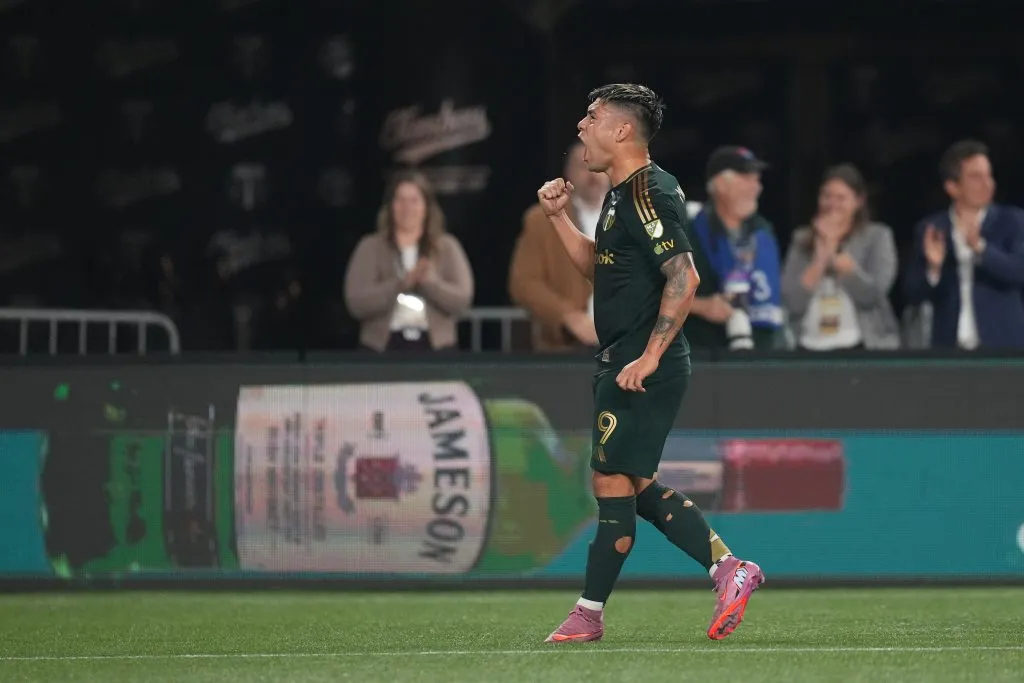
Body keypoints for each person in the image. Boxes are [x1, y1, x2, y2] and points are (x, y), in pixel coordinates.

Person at [536, 83, 764, 645]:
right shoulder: (621, 194)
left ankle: (589, 613)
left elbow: (685, 277)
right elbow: (602, 267)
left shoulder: (649, 192)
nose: (581, 126)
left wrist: (650, 355)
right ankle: (728, 569)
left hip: (640, 364)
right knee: (633, 484)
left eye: (591, 117)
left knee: (611, 480)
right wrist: (560, 218)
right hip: (623, 359)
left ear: (621, 130)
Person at [903, 140, 1024, 349]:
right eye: (976, 177)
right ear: (952, 187)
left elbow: (1018, 272)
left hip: (1003, 348)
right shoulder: (932, 228)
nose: (988, 183)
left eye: (989, 175)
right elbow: (913, 293)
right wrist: (933, 267)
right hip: (949, 348)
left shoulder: (1012, 221)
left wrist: (981, 248)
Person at [343, 170, 474, 352]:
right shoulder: (370, 246)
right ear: (390, 206)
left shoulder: (447, 247)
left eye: (414, 201)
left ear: (426, 207)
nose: (407, 208)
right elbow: (357, 302)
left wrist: (429, 283)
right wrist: (400, 284)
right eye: (400, 200)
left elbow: (462, 300)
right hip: (381, 349)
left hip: (436, 348)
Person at [781, 164, 900, 350]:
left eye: (841, 198)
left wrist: (836, 254)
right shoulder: (801, 239)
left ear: (858, 201)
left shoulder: (877, 237)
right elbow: (791, 303)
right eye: (826, 196)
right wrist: (819, 261)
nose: (832, 204)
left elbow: (873, 295)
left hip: (862, 346)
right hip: (807, 345)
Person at [508, 141, 608, 351]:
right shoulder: (541, 219)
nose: (592, 174)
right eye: (583, 166)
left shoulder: (635, 217)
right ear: (568, 174)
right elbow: (524, 283)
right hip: (567, 347)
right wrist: (568, 316)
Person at [685, 147, 785, 350]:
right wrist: (701, 306)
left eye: (757, 180)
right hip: (703, 356)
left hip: (762, 353)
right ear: (721, 185)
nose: (756, 188)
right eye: (747, 179)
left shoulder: (762, 232)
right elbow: (647, 292)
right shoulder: (688, 229)